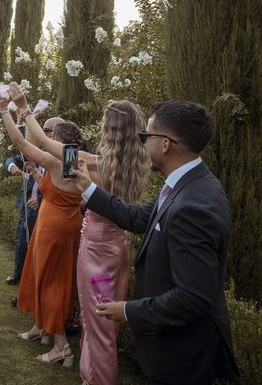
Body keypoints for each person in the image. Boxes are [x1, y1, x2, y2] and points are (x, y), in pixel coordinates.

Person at [73, 99, 238, 385]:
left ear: (165, 144)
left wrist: (126, 310)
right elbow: (138, 217)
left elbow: (192, 298)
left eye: (146, 136)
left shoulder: (193, 205)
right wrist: (89, 189)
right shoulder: (186, 184)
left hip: (182, 354)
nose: (141, 143)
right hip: (176, 347)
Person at [10, 83, 150, 384]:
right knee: (103, 323)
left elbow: (46, 146)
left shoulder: (98, 164)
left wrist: (23, 106)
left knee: (97, 321)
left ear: (110, 131)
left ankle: (96, 379)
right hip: (116, 249)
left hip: (97, 253)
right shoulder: (133, 165)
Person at [0, 96, 85, 366]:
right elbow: (67, 193)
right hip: (58, 224)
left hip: (55, 229)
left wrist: (5, 110)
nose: (46, 137)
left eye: (50, 134)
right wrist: (37, 176)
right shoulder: (73, 160)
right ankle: (42, 328)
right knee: (42, 275)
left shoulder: (60, 159)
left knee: (53, 282)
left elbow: (20, 143)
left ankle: (62, 347)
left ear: (61, 138)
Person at [5, 117, 63, 287]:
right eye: (44, 130)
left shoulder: (64, 157)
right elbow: (14, 156)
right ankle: (19, 275)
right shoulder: (38, 151)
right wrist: (13, 167)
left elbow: (63, 189)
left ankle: (33, 284)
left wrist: (39, 199)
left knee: (38, 249)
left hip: (46, 210)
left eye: (49, 130)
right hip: (27, 206)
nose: (45, 134)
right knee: (22, 241)